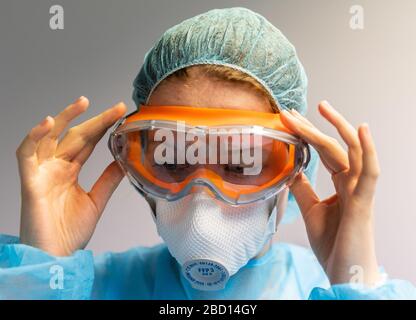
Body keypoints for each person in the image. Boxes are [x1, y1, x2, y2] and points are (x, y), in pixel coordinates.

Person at [1, 7, 415, 300]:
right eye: (174, 160)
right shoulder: (81, 288)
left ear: (290, 168)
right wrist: (44, 267)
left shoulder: (331, 287)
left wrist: (354, 280)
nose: (203, 194)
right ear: (142, 162)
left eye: (241, 163)